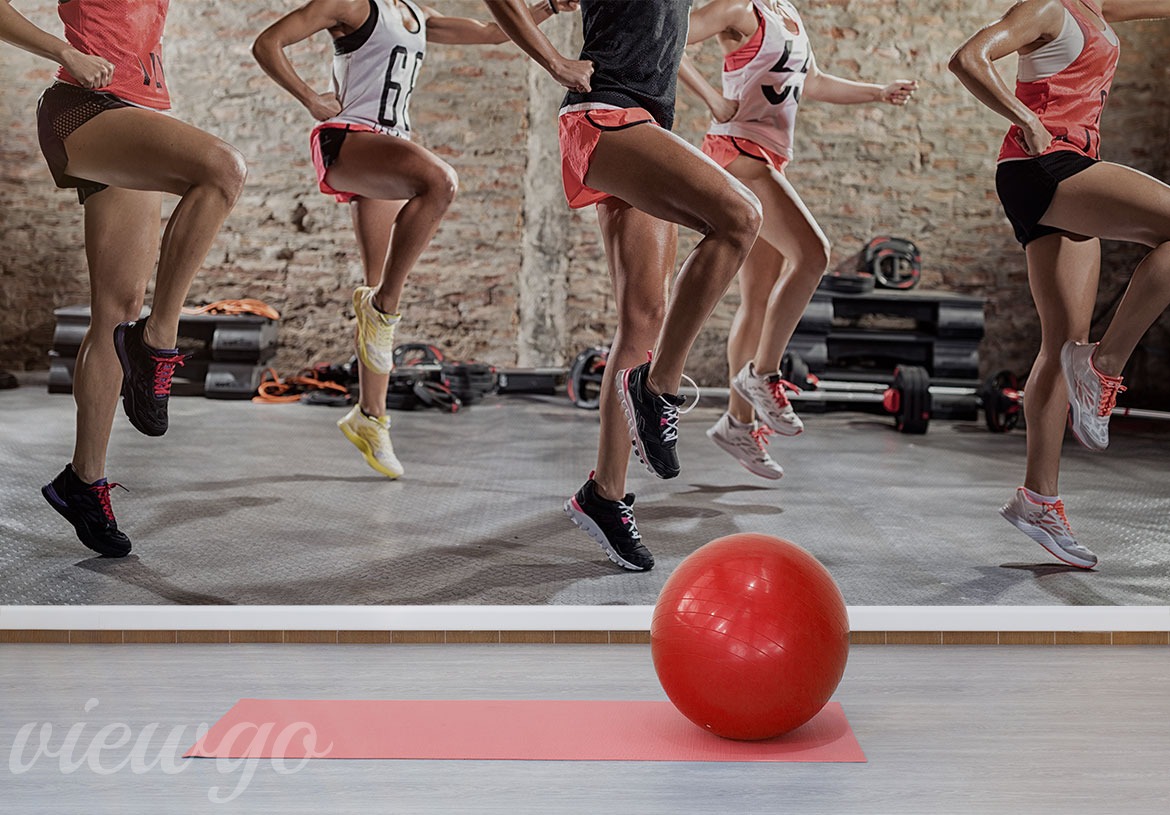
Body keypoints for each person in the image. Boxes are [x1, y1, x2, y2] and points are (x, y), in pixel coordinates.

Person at [482, 0, 764, 571]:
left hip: (646, 124)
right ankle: (656, 389)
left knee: (643, 319)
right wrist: (556, 62)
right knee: (740, 218)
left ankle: (604, 497)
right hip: (604, 116)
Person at [253, 0, 577, 479]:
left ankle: (370, 417)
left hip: (387, 146)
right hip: (350, 139)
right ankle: (384, 305)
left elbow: (493, 31)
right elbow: (268, 44)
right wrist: (309, 98)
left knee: (378, 289)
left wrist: (549, 6)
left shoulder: (416, 13)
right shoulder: (350, 5)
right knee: (440, 183)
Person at [0, 0, 247, 557]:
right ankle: (157, 343)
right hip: (83, 108)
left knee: (116, 310)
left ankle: (83, 483)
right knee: (222, 168)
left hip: (134, 113)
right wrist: (66, 52)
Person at [950, 0, 1170, 569]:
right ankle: (1106, 366)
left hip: (1057, 173)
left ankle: (1037, 500)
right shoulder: (1048, 6)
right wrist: (1022, 116)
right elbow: (968, 58)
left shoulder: (1099, 8)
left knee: (1060, 343)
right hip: (1044, 164)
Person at [680, 0, 916, 479]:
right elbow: (667, 41)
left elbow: (813, 80)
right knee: (813, 254)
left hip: (767, 157)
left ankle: (737, 425)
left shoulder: (786, 13)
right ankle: (762, 374)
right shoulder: (736, 8)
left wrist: (878, 92)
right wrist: (712, 99)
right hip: (738, 150)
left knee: (758, 298)